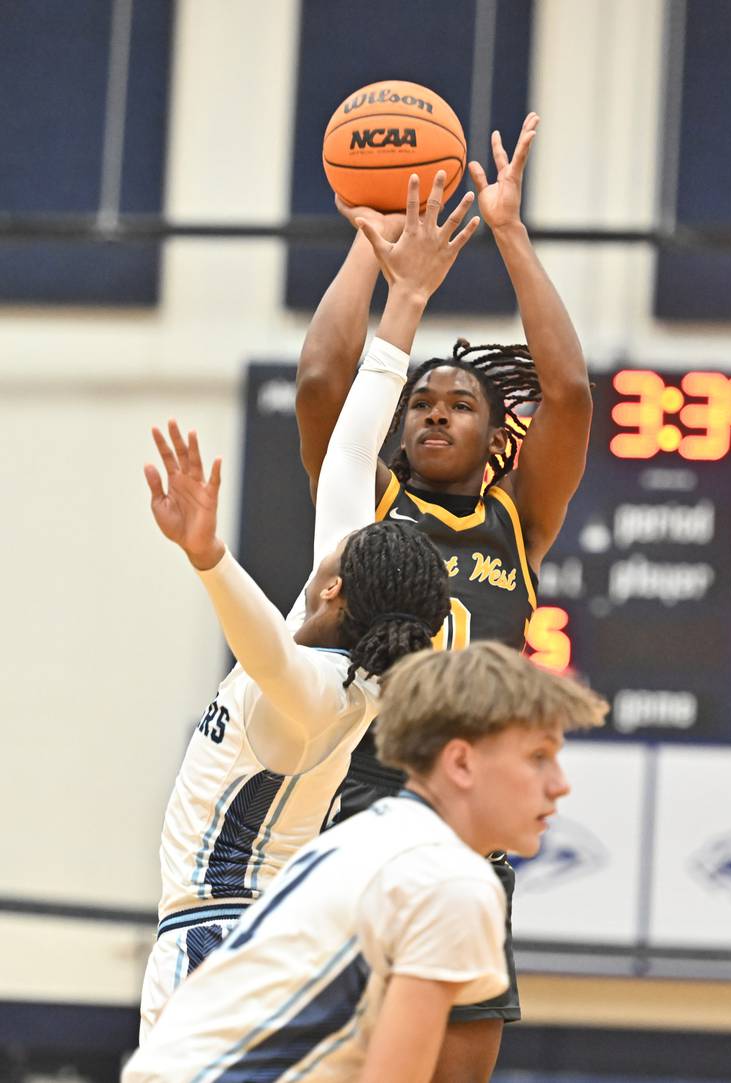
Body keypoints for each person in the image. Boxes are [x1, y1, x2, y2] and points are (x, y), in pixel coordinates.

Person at [137, 171, 478, 1040]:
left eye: (340, 545)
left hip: (221, 942)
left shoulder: (319, 693)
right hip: (261, 941)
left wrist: (211, 558)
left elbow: (264, 653)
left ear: (336, 587)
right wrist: (402, 295)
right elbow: (349, 453)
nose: (337, 529)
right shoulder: (341, 646)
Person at [294, 113, 594, 1080]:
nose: (434, 409)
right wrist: (370, 245)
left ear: (495, 431)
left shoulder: (520, 522)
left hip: (469, 821)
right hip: (360, 791)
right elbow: (321, 377)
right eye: (421, 399)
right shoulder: (370, 501)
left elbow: (573, 392)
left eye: (460, 402)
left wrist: (508, 229)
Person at [122, 641, 608, 1083]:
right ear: (460, 763)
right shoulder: (449, 879)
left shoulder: (371, 835)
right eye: (539, 757)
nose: (560, 783)